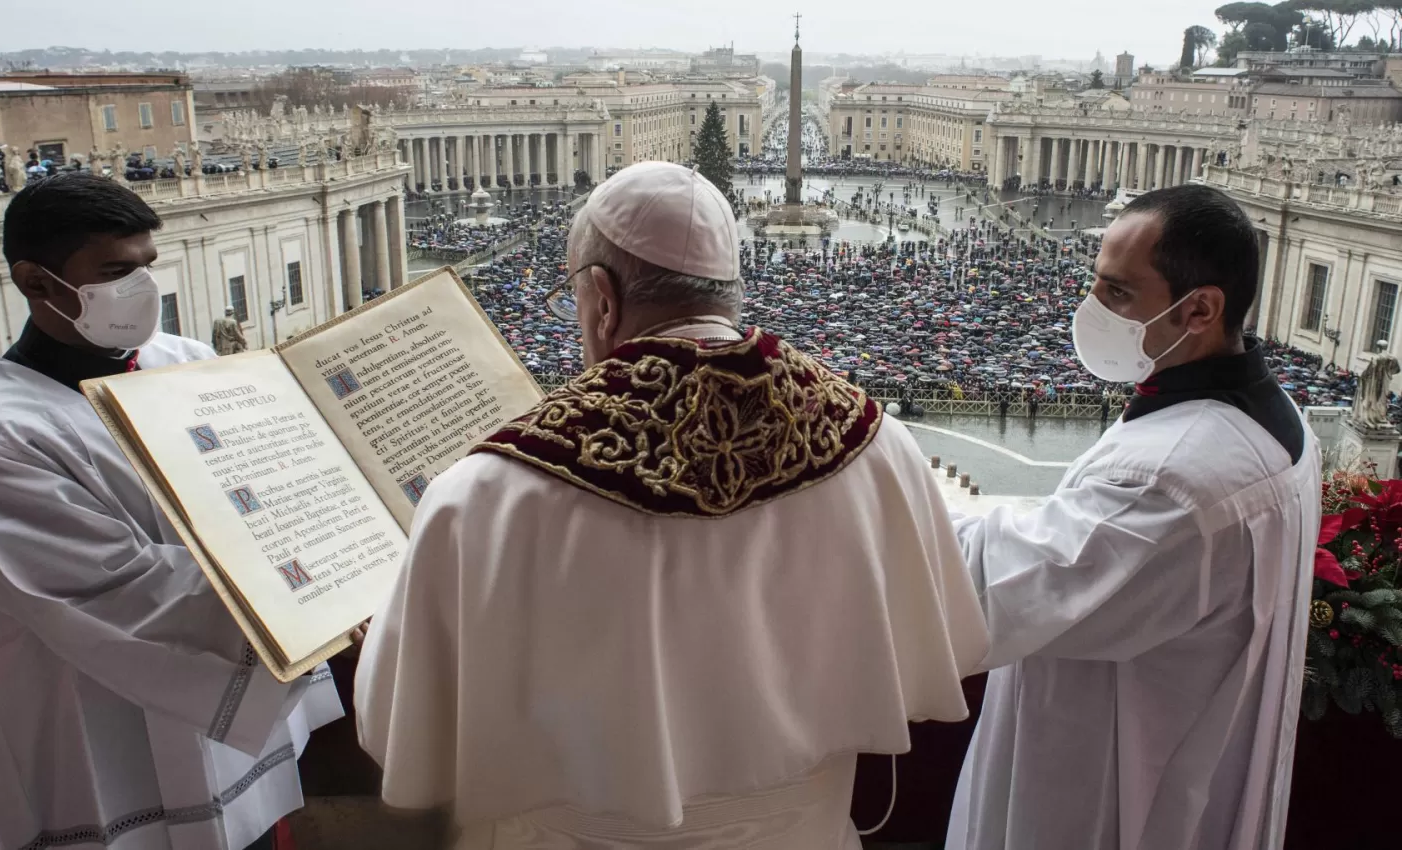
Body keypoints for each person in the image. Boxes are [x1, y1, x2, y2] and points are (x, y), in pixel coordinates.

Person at [356, 161, 989, 848]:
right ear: (730, 291)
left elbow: (397, 731)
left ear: (601, 297)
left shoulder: (485, 495)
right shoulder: (877, 445)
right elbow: (942, 652)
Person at [0, 172, 342, 850]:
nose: (141, 287)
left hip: (224, 712)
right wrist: (321, 584)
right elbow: (117, 589)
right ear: (35, 282)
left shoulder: (188, 363)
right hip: (92, 719)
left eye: (147, 265)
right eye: (115, 271)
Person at [946, 184, 1322, 850]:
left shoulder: (1171, 480)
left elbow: (994, 590)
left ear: (1200, 309)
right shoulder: (1280, 422)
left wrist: (871, 480)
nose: (1092, 309)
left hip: (1108, 797)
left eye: (1118, 293)